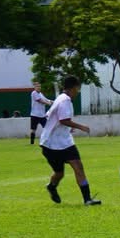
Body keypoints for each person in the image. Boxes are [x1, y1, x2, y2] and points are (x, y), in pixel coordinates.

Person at [39, 75, 102, 206]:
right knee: (59, 173)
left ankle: (87, 199)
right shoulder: (64, 100)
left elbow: (54, 119)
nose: (78, 92)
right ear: (72, 88)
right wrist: (81, 127)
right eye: (77, 89)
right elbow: (63, 120)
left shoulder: (62, 99)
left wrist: (66, 130)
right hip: (52, 144)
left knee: (78, 166)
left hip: (64, 142)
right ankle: (51, 186)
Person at [28, 80, 53, 145]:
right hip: (35, 115)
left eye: (39, 86)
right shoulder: (34, 93)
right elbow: (40, 100)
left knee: (47, 128)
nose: (39, 87)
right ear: (34, 87)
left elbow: (45, 99)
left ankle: (47, 141)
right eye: (37, 86)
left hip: (42, 115)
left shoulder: (40, 94)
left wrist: (52, 101)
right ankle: (32, 143)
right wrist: (48, 103)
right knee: (33, 130)